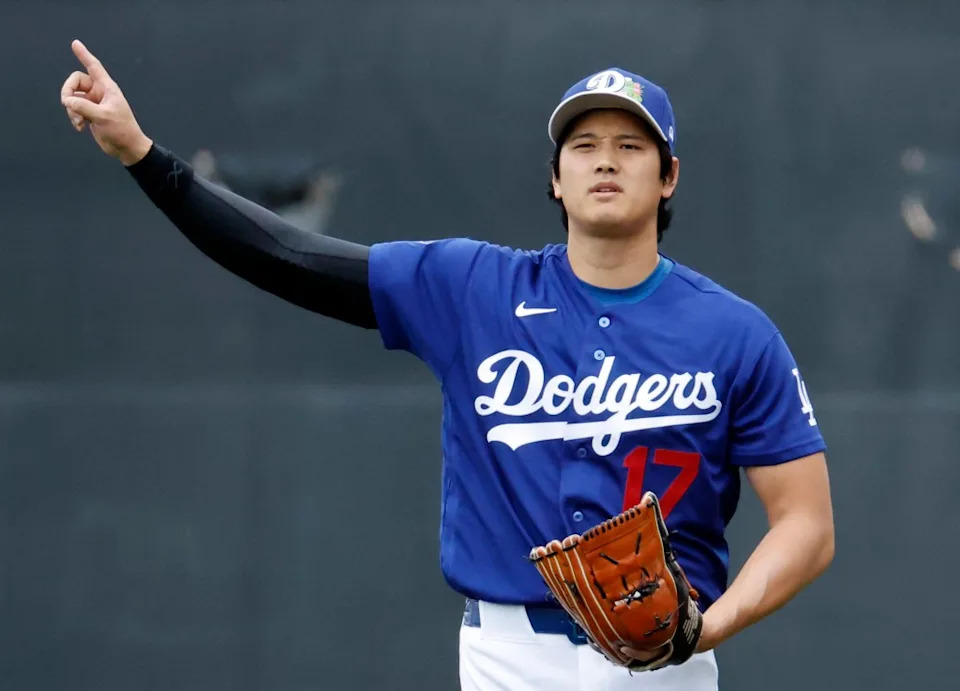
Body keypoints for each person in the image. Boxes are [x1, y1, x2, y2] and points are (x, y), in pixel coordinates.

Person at [60, 39, 835, 691]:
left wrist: (707, 630)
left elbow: (807, 522)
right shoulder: (474, 290)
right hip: (510, 655)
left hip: (667, 659)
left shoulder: (734, 332)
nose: (607, 162)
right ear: (555, 178)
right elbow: (290, 257)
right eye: (585, 146)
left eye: (632, 146)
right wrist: (143, 156)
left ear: (668, 176)